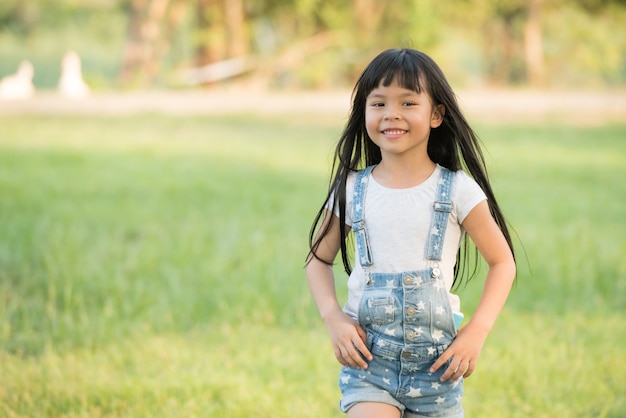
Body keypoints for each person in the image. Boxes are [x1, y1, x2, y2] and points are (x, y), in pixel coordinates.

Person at [305, 48, 516, 418]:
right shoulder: (352, 188)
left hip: (437, 369)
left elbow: (502, 262)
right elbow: (318, 260)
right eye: (379, 103)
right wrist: (334, 318)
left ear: (436, 114)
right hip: (369, 364)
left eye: (407, 102)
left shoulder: (458, 190)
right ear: (364, 112)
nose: (391, 114)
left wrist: (477, 330)